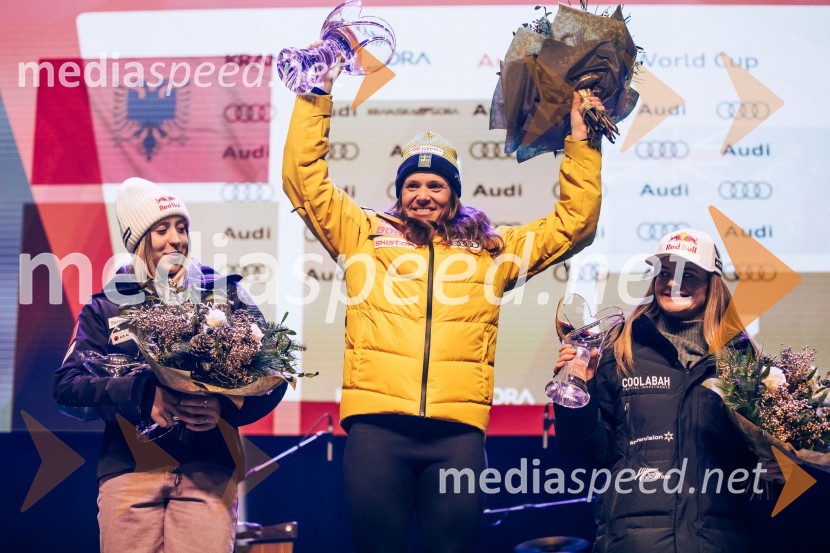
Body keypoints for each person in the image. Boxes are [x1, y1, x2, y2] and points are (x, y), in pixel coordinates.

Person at [282, 57, 604, 553]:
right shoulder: (364, 234)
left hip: (456, 437)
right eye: (412, 185)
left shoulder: (490, 251)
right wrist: (315, 95)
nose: (423, 195)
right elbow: (304, 180)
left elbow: (574, 223)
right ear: (399, 192)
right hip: (377, 429)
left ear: (453, 195)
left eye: (436, 185)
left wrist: (581, 141)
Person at [53, 177, 286, 553]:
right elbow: (67, 388)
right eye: (161, 230)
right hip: (130, 471)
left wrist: (223, 406)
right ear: (137, 241)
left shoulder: (222, 294)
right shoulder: (105, 306)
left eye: (182, 228)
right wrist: (142, 394)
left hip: (207, 470)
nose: (176, 239)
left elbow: (273, 372)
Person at [553, 228, 758, 553]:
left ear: (712, 283)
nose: (673, 282)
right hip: (633, 542)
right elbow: (587, 455)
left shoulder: (742, 360)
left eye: (688, 274)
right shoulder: (620, 349)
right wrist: (577, 392)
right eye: (665, 272)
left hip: (718, 541)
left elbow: (755, 466)